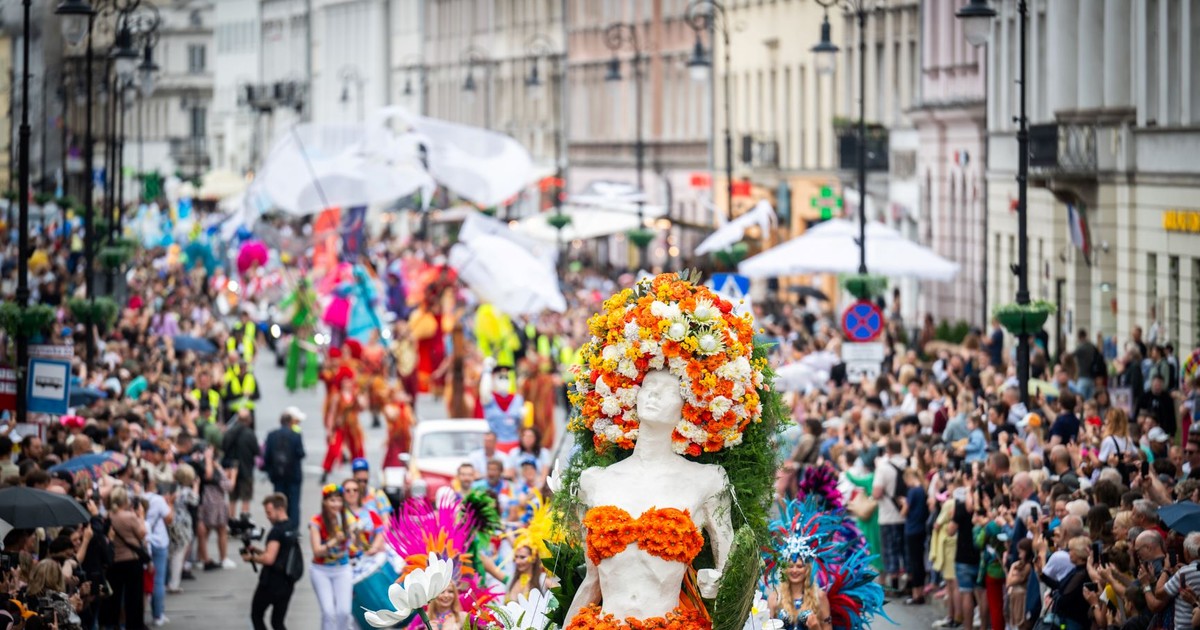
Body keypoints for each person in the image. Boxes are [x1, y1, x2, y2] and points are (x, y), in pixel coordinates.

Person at [245, 494, 299, 630]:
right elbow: (280, 553)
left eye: (269, 512)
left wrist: (251, 558)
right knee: (278, 622)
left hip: (271, 582)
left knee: (256, 615)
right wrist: (256, 550)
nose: (267, 516)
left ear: (279, 509)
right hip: (287, 582)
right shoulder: (291, 527)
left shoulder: (276, 531)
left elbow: (269, 559)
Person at [309, 484, 357, 630]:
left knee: (344, 612)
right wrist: (334, 541)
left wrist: (352, 535)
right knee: (328, 612)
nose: (336, 504)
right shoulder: (316, 522)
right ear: (324, 502)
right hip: (320, 570)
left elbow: (356, 539)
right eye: (332, 500)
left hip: (342, 568)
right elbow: (317, 551)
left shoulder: (346, 519)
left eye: (338, 500)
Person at [101, 486, 146, 630]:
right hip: (131, 560)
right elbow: (141, 534)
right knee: (134, 597)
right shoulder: (129, 516)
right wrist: (141, 517)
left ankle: (113, 624)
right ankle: (133, 625)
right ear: (124, 500)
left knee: (115, 596)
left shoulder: (107, 516)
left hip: (114, 561)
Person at [872, 438, 908, 592]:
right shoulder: (907, 463)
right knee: (903, 549)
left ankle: (893, 584)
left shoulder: (883, 467)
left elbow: (877, 492)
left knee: (890, 550)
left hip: (888, 514)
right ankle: (907, 582)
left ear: (888, 450)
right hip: (905, 513)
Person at [263, 408, 306, 526]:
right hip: (294, 475)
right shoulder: (296, 435)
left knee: (279, 502)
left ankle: (280, 525)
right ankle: (293, 528)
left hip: (278, 475)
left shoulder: (272, 435)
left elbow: (267, 455)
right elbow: (301, 453)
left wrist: (268, 470)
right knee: (294, 503)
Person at [222, 408, 261, 520]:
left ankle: (231, 519)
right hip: (246, 469)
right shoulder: (250, 434)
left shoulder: (229, 432)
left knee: (232, 498)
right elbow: (256, 451)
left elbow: (223, 447)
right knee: (246, 498)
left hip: (231, 469)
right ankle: (244, 519)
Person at [350, 458, 393, 523]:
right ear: (353, 476)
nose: (361, 475)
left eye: (364, 480)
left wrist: (382, 532)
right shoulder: (349, 494)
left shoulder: (377, 493)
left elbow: (386, 519)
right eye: (358, 473)